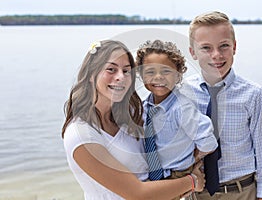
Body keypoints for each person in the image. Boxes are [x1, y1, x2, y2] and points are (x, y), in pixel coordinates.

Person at [62, 39, 205, 200]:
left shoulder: (131, 114)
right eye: (111, 69)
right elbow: (138, 194)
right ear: (90, 74)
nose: (120, 77)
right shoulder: (81, 135)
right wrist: (193, 181)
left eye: (126, 71)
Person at [183, 11, 262, 200]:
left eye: (224, 46)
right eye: (206, 48)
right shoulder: (182, 93)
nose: (216, 55)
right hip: (196, 193)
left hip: (242, 191)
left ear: (234, 47)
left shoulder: (253, 94)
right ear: (193, 52)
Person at [136, 40, 218, 199]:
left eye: (166, 71)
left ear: (178, 75)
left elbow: (208, 141)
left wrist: (192, 159)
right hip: (153, 177)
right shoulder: (145, 107)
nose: (158, 77)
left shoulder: (182, 108)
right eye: (150, 72)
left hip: (177, 175)